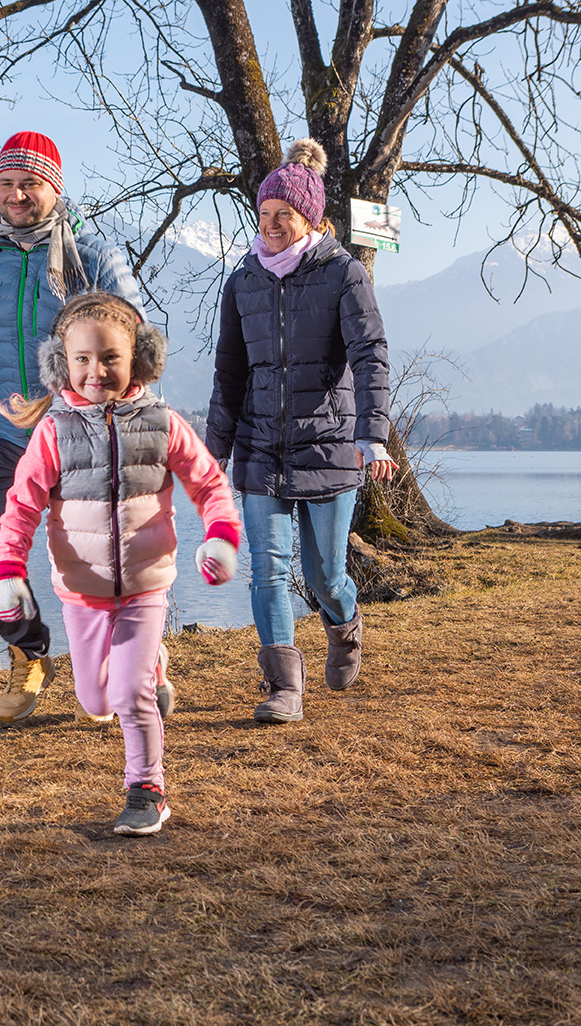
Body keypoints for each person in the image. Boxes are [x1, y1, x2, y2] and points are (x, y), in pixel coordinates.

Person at [0, 292, 241, 834]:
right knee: (95, 697)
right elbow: (21, 505)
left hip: (146, 585)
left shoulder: (162, 422)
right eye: (82, 359)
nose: (95, 370)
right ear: (62, 363)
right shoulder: (53, 433)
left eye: (109, 358)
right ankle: (152, 664)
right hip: (81, 590)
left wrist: (220, 535)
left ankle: (146, 789)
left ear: (139, 359)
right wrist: (8, 570)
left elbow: (209, 483)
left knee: (130, 696)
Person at [0, 130, 155, 725]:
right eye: (6, 183)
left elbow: (138, 332)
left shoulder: (92, 253)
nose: (16, 194)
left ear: (53, 187)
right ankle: (28, 654)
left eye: (28, 183)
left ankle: (134, 660)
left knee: (97, 553)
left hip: (80, 432)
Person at [205, 138, 396, 725]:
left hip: (330, 446)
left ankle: (346, 624)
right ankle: (284, 685)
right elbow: (229, 372)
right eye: (262, 216)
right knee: (267, 567)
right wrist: (210, 454)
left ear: (308, 218)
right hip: (262, 449)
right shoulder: (243, 280)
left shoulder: (344, 273)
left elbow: (369, 352)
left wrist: (373, 434)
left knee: (323, 575)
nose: (270, 227)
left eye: (282, 216)